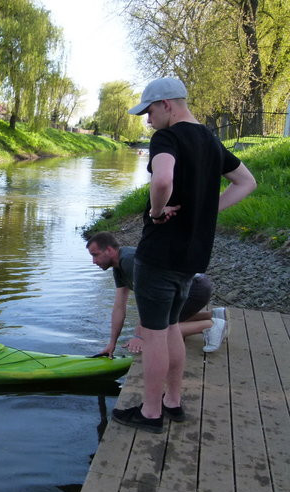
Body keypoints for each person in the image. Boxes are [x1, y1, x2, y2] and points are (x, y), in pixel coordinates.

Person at [110, 77, 256, 433]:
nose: (147, 120)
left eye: (149, 111)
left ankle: (149, 412)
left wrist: (157, 213)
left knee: (154, 334)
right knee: (172, 326)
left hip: (160, 254)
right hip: (193, 256)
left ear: (167, 106)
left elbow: (162, 181)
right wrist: (208, 212)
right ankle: (172, 403)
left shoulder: (167, 137)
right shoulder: (210, 139)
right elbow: (246, 182)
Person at [86, 232, 227, 356]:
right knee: (159, 324)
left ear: (109, 250)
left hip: (194, 288)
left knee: (154, 334)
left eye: (95, 255)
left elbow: (150, 301)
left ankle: (210, 325)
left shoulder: (129, 260)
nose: (93, 261)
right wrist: (112, 343)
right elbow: (119, 308)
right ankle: (214, 315)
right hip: (191, 287)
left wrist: (140, 336)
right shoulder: (119, 268)